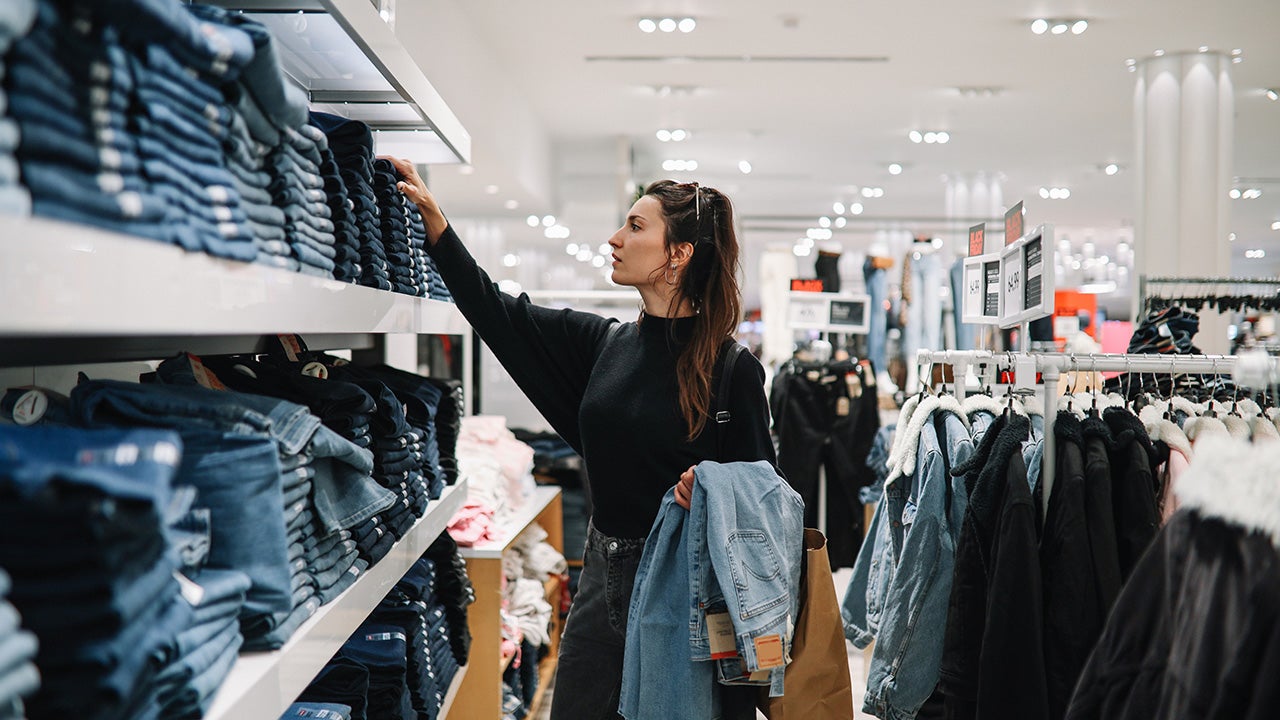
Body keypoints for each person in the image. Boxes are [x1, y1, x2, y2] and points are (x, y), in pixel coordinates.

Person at [386, 157, 776, 719]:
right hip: (599, 575)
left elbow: (768, 495)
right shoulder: (606, 345)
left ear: (678, 254)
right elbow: (498, 314)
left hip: (684, 585)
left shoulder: (731, 368)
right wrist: (438, 227)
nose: (616, 238)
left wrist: (715, 486)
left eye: (636, 227)